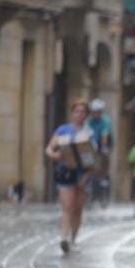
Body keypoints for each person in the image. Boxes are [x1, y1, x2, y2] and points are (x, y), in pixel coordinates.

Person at [45, 99, 96, 253]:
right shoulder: (62, 130)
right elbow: (49, 149)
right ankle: (63, 238)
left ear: (86, 115)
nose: (79, 114)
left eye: (82, 112)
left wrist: (85, 177)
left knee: (77, 209)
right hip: (66, 172)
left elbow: (93, 157)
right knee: (67, 206)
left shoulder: (90, 133)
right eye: (77, 111)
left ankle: (73, 239)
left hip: (84, 174)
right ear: (72, 113)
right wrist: (56, 155)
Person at [86, 98, 112, 208]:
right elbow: (86, 133)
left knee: (102, 166)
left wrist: (104, 148)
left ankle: (104, 184)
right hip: (92, 144)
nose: (95, 114)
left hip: (103, 144)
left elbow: (104, 136)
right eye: (93, 112)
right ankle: (90, 194)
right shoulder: (89, 120)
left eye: (97, 112)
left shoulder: (105, 120)